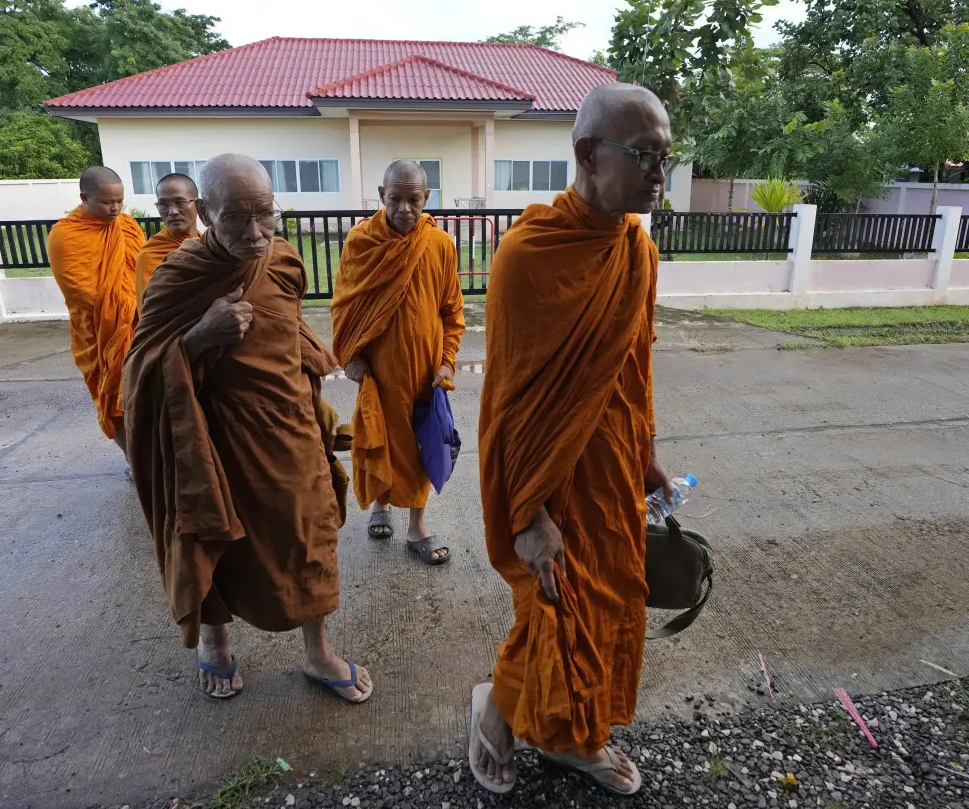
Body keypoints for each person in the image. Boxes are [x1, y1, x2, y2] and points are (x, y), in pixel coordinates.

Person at [468, 83, 678, 797]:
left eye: (666, 159)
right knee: (554, 611)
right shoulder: (529, 256)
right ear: (588, 153)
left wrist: (645, 454)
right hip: (547, 479)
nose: (659, 173)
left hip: (612, 463)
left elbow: (635, 364)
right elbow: (512, 402)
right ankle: (495, 713)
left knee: (609, 602)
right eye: (646, 155)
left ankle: (576, 738)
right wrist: (527, 516)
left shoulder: (635, 250)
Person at [121, 153, 369, 704]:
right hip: (217, 441)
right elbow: (139, 373)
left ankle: (318, 650)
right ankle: (216, 638)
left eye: (265, 214)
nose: (254, 232)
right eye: (235, 217)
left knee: (309, 537)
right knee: (212, 535)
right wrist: (197, 339)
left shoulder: (281, 258)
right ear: (205, 213)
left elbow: (290, 326)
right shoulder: (179, 277)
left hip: (289, 429)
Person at [331, 160, 465, 565]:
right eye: (396, 198)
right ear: (381, 195)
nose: (405, 208)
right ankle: (380, 506)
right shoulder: (361, 242)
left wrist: (447, 361)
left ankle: (417, 526)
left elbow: (451, 311)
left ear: (426, 198)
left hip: (426, 371)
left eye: (414, 199)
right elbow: (344, 306)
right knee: (378, 439)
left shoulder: (438, 244)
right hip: (379, 372)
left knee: (423, 445)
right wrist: (351, 357)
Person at [47, 166, 144, 455]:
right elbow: (83, 293)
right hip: (100, 335)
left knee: (148, 396)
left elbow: (143, 271)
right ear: (84, 197)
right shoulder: (66, 235)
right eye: (107, 202)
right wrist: (132, 307)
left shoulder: (127, 225)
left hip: (141, 328)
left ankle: (151, 456)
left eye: (119, 201)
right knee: (115, 400)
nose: (115, 208)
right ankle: (133, 459)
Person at [135, 172, 201, 304]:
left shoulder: (208, 245)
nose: (172, 211)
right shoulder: (151, 254)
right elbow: (153, 308)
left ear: (199, 205)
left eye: (180, 202)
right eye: (163, 204)